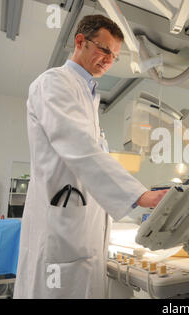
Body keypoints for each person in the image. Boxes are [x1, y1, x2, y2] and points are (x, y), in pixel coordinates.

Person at [13, 15, 168, 299]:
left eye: (115, 55)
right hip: (59, 232)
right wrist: (140, 195)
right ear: (80, 41)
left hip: (83, 232)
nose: (109, 60)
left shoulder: (89, 95)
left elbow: (91, 157)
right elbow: (80, 148)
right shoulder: (54, 83)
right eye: (104, 49)